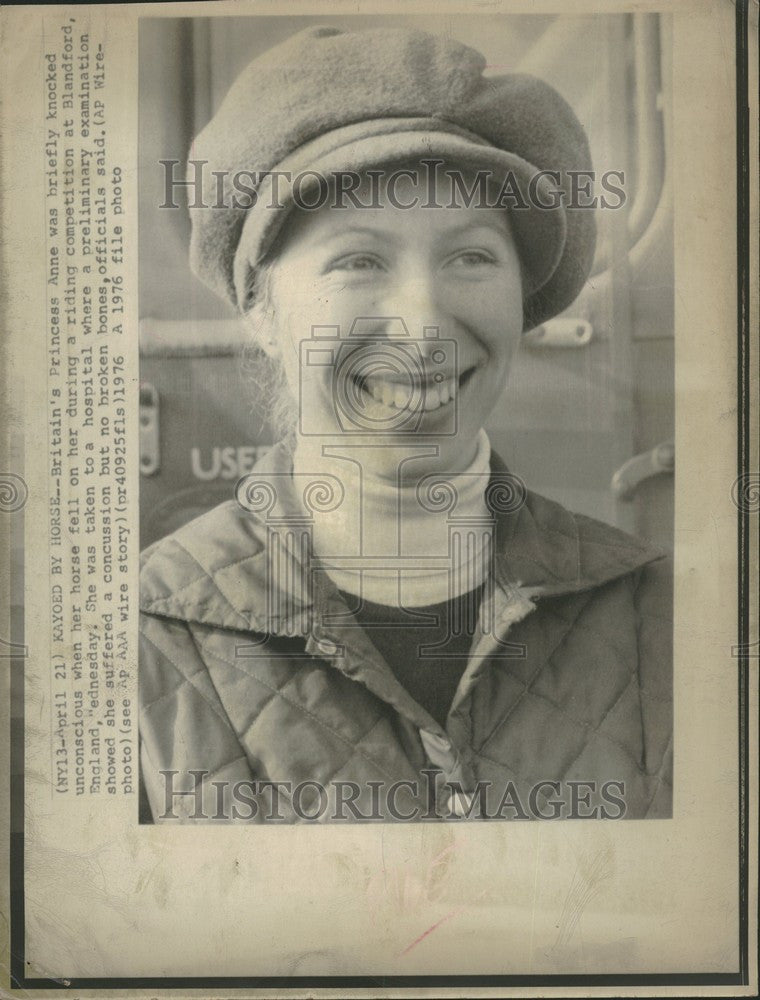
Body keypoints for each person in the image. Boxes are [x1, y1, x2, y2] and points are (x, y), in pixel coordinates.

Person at [139, 25, 672, 823]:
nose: (424, 325)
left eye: (472, 258)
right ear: (261, 311)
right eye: (360, 260)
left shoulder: (653, 611)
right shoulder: (141, 636)